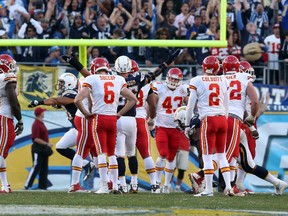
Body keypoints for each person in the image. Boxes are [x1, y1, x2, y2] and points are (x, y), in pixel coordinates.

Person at [74, 57, 137, 194]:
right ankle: (114, 185)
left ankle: (104, 186)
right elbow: (133, 99)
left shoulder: (92, 79)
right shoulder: (118, 79)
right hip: (112, 119)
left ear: (94, 68)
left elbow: (77, 99)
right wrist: (119, 113)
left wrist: (86, 113)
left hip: (99, 118)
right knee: (112, 154)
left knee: (101, 153)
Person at [27, 73, 95, 182]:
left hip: (83, 128)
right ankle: (87, 165)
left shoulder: (72, 93)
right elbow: (60, 103)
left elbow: (58, 100)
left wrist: (39, 102)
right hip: (77, 128)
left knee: (95, 155)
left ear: (69, 83)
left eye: (62, 83)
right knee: (60, 147)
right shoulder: (67, 94)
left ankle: (110, 179)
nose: (60, 85)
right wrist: (58, 104)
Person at [185, 56, 233, 196]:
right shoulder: (224, 80)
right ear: (217, 68)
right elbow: (226, 105)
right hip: (222, 119)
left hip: (209, 120)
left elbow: (190, 106)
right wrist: (224, 117)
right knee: (222, 155)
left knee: (207, 156)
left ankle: (208, 190)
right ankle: (229, 187)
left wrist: (187, 125)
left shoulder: (197, 80)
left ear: (204, 67)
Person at [151, 67, 189, 194]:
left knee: (171, 158)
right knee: (162, 153)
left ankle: (166, 185)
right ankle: (156, 183)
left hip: (176, 128)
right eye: (171, 78)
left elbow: (189, 106)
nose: (173, 81)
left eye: (175, 79)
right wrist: (150, 119)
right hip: (161, 126)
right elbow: (152, 104)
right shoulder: (159, 87)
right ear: (167, 77)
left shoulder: (183, 90)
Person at [0, 54, 23, 193]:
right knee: (1, 153)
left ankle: (5, 185)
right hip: (4, 117)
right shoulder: (8, 78)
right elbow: (13, 102)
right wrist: (20, 120)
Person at [24, 107, 52, 190]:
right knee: (36, 166)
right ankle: (27, 185)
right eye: (43, 112)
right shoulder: (36, 124)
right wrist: (47, 144)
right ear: (40, 113)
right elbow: (36, 138)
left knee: (44, 168)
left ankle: (42, 187)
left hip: (44, 149)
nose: (44, 113)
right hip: (37, 148)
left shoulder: (41, 123)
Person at [173, 106, 191, 192]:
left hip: (184, 148)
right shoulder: (175, 127)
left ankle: (177, 187)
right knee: (171, 168)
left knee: (181, 170)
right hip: (175, 147)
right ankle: (167, 184)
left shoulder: (190, 128)